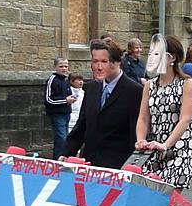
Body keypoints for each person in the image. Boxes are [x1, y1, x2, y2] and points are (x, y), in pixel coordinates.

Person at [136, 35, 192, 206]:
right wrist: (140, 139)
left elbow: (185, 119)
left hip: (178, 151)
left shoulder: (187, 84)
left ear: (171, 58)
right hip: (153, 152)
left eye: (156, 54)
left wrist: (166, 144)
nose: (151, 59)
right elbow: (143, 118)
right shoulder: (149, 85)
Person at [60, 39, 142, 169]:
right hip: (89, 165)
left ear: (117, 62)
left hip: (117, 168)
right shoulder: (91, 88)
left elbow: (136, 135)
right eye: (95, 61)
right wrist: (66, 153)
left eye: (104, 62)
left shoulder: (134, 91)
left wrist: (131, 168)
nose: (98, 67)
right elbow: (82, 125)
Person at [44, 57, 75, 159]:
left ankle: (61, 159)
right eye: (61, 66)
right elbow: (49, 99)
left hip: (66, 113)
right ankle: (58, 160)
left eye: (66, 66)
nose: (64, 68)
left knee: (64, 139)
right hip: (57, 114)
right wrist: (65, 100)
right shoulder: (52, 80)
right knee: (61, 139)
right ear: (55, 67)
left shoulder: (65, 80)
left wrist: (72, 98)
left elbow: (69, 94)